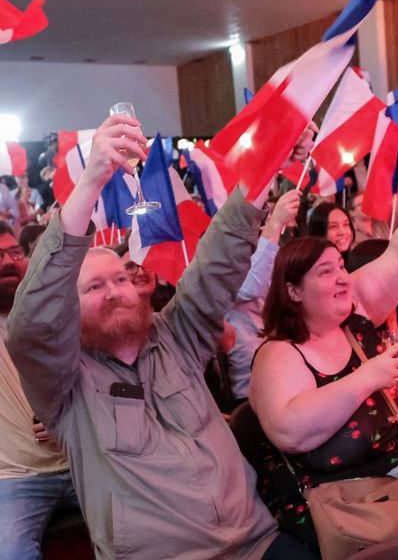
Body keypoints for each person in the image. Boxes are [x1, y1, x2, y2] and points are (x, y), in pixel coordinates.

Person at [7, 114, 317, 560]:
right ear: (67, 307)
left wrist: (266, 167)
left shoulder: (176, 336)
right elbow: (32, 324)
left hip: (256, 543)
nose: (116, 291)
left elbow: (219, 260)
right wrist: (94, 178)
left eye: (120, 279)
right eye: (94, 287)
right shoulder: (63, 383)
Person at [249, 233, 398, 553]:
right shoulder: (277, 354)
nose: (343, 278)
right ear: (293, 291)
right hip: (343, 511)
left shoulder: (354, 325)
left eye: (342, 267)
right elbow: (291, 430)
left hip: (391, 490)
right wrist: (367, 378)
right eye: (326, 271)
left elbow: (397, 257)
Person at [0, 221, 79, 560]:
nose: (7, 261)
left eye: (14, 252)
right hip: (17, 479)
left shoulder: (62, 310)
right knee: (12, 553)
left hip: (82, 460)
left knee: (149, 522)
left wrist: (66, 415)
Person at [225, 189, 301, 403]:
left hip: (291, 375)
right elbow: (249, 288)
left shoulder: (273, 254)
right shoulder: (226, 258)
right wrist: (274, 224)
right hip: (252, 392)